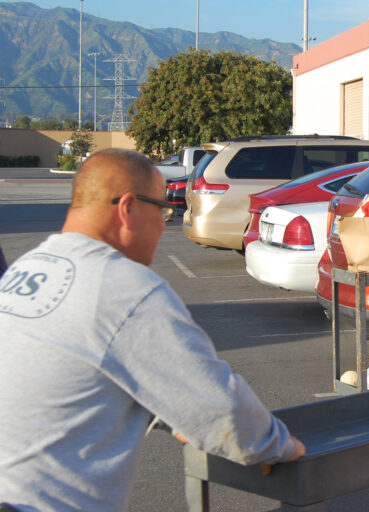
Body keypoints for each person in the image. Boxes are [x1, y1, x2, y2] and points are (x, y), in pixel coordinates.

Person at [0, 149, 306, 512]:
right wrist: (280, 446)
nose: (164, 223)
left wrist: (166, 413)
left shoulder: (30, 269)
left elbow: (70, 372)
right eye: (161, 209)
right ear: (128, 208)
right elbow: (222, 413)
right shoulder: (122, 287)